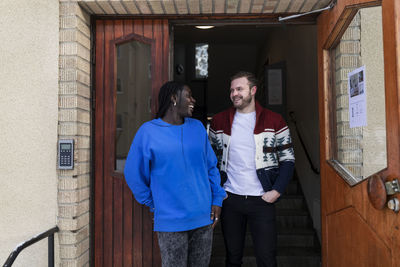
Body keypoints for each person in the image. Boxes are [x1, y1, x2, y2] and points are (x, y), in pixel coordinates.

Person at [124, 81, 226, 267]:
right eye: (188, 95)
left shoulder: (197, 128)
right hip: (171, 222)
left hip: (203, 218)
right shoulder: (148, 132)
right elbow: (133, 174)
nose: (193, 100)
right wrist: (154, 202)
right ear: (173, 98)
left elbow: (211, 167)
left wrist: (217, 199)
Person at [209, 71, 295, 267]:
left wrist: (277, 191)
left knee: (266, 258)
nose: (234, 94)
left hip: (262, 200)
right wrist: (217, 193)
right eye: (232, 90)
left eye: (239, 89)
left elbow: (288, 160)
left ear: (253, 90)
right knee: (232, 258)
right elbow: (211, 161)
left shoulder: (275, 120)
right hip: (230, 198)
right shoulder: (219, 121)